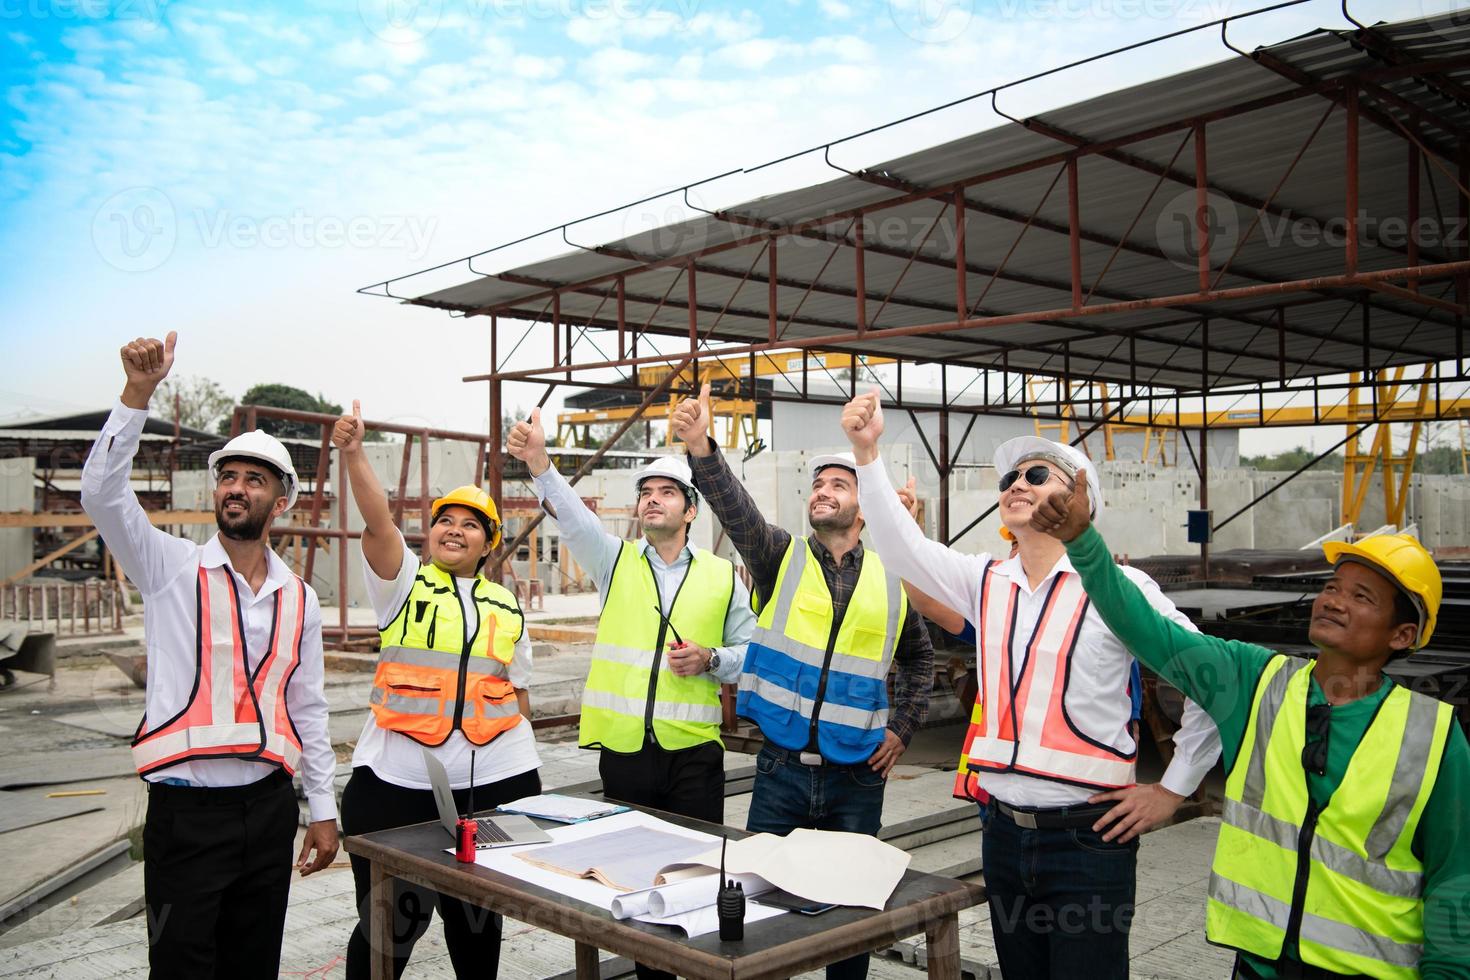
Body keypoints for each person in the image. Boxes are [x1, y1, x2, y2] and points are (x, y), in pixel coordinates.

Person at [1030, 467, 1470, 979]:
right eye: (1332, 586)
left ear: (1402, 634)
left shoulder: (1434, 737)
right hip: (1258, 968)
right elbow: (1144, 629)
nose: (1333, 600)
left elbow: (1456, 878)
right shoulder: (1254, 682)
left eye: (1361, 596)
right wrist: (1083, 540)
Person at [840, 388, 1219, 980]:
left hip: (1089, 842)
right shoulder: (987, 580)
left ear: (1079, 501)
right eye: (1009, 477)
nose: (1015, 482)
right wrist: (867, 455)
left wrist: (1173, 790)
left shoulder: (1121, 590)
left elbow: (1211, 681)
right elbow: (904, 551)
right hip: (1003, 836)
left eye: (1037, 474)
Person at [81, 332, 338, 979]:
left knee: (252, 966)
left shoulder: (299, 598)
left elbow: (307, 706)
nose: (236, 487)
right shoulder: (168, 568)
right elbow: (102, 498)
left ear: (280, 502)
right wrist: (138, 395)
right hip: (187, 814)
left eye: (254, 479)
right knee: (181, 965)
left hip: (269, 809)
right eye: (228, 476)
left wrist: (324, 809)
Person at [671, 383, 934, 980]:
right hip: (781, 771)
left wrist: (903, 727)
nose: (823, 491)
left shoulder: (897, 577)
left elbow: (921, 659)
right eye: (818, 484)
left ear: (865, 506)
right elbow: (735, 510)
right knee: (758, 913)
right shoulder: (779, 557)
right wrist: (700, 447)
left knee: (850, 917)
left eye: (838, 484)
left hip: (857, 778)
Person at [507, 407, 753, 980]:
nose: (653, 500)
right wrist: (540, 462)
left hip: (694, 755)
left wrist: (713, 660)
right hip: (627, 756)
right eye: (646, 492)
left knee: (693, 883)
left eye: (668, 492)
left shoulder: (722, 575)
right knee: (636, 888)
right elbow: (570, 517)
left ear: (690, 510)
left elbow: (754, 653)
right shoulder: (614, 561)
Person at [333, 401, 540, 980]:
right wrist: (353, 454)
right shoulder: (403, 584)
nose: (455, 529)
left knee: (477, 923)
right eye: (446, 520)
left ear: (488, 543)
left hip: (485, 790)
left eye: (470, 524)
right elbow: (378, 522)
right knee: (389, 926)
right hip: (395, 787)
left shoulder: (505, 604)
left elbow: (516, 693)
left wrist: (525, 780)